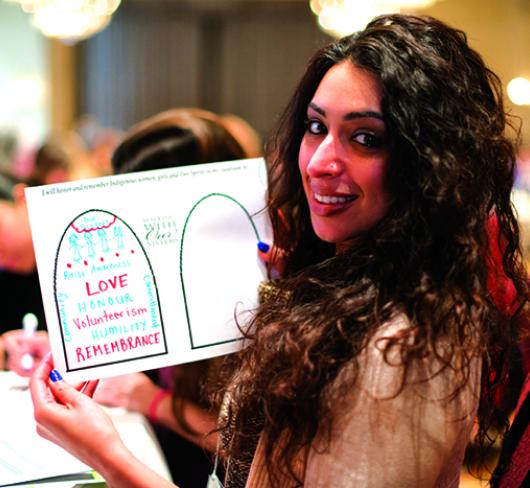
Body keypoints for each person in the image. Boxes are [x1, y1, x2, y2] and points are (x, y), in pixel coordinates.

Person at [30, 14, 529, 487]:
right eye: (316, 127)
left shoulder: (397, 349)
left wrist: (107, 455)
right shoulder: (351, 290)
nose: (321, 161)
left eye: (365, 138)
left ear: (430, 167)